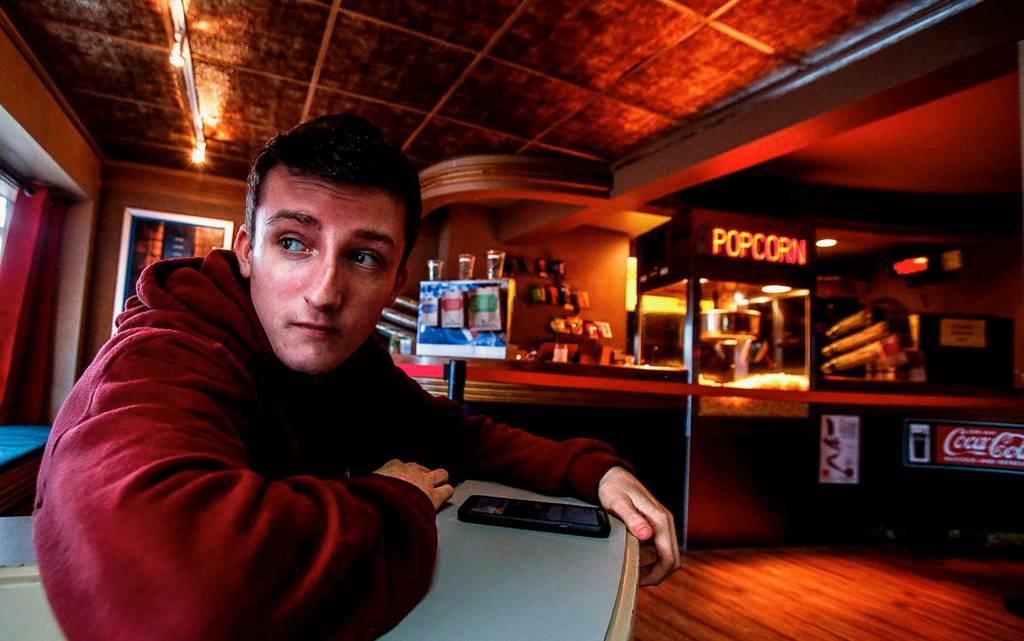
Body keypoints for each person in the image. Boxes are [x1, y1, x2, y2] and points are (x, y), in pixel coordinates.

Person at [33, 113, 679, 641]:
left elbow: (456, 436)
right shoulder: (165, 352)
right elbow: (179, 594)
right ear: (244, 250)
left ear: (396, 280)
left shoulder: (353, 363)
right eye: (294, 242)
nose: (324, 292)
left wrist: (596, 470)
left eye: (364, 257)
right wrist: (394, 499)